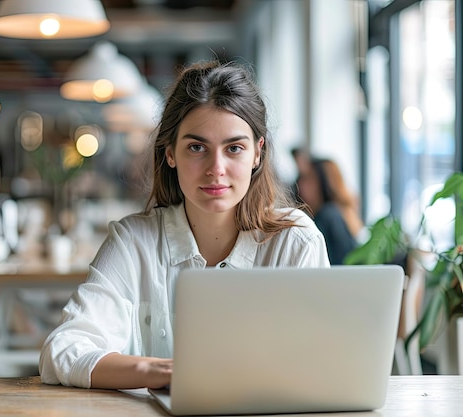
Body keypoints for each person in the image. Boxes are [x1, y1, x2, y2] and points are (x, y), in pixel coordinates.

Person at [39, 60, 330, 390]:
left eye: (234, 148)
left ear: (257, 154)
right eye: (196, 147)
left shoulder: (296, 242)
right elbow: (63, 350)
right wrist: (161, 372)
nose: (216, 168)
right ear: (171, 153)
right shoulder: (134, 242)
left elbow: (316, 365)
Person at [294, 156, 364, 264]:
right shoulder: (343, 212)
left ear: (325, 183)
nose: (300, 185)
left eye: (308, 179)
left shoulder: (327, 216)